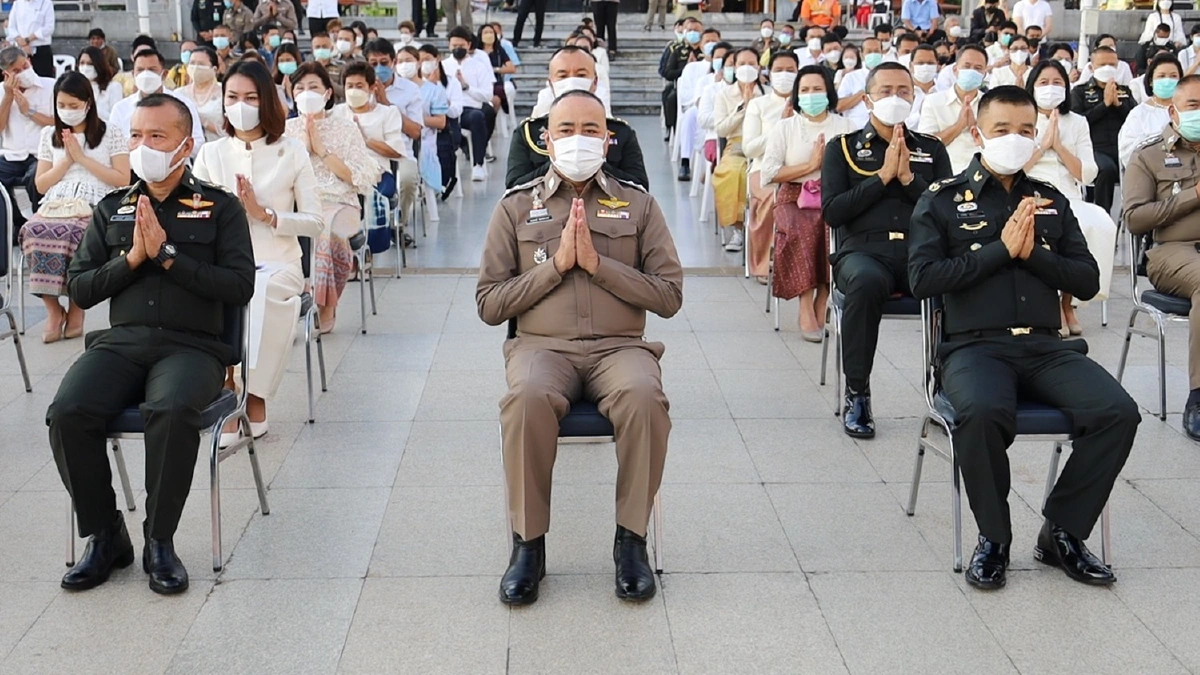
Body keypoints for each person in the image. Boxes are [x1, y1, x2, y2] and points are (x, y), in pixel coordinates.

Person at [909, 85, 1140, 591]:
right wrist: (998, 251)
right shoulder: (942, 202)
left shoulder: (1051, 200)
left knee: (1117, 412)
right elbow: (922, 280)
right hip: (974, 346)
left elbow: (1087, 280)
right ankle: (994, 538)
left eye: (1025, 131)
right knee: (982, 414)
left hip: (1044, 346)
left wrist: (1032, 254)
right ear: (977, 134)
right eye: (1001, 130)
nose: (1015, 139)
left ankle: (1062, 531)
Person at [477, 90, 682, 606]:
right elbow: (489, 303)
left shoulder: (639, 203)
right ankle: (529, 545)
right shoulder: (516, 207)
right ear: (546, 139)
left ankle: (630, 542)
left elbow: (670, 295)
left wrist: (597, 265)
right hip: (542, 349)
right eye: (566, 129)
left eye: (591, 130)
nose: (578, 140)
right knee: (524, 402)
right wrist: (556, 267)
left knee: (644, 399)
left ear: (608, 139)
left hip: (620, 349)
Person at [49, 93, 256, 596]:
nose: (143, 146)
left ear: (185, 145)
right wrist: (133, 259)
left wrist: (167, 256)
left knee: (171, 408)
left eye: (156, 137)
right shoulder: (113, 208)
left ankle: (159, 540)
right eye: (136, 136)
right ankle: (105, 534)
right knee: (68, 411)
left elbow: (238, 286)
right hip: (121, 343)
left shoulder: (219, 207)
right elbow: (79, 287)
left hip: (193, 347)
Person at [192, 60, 323, 444]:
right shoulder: (211, 154)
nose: (241, 105)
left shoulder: (292, 151)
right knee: (208, 291)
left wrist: (263, 214)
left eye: (250, 97)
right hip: (224, 260)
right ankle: (224, 389)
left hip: (278, 260)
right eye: (232, 96)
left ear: (266, 101)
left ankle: (254, 398)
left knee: (261, 293)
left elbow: (315, 222)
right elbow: (195, 215)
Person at [820, 62, 950, 436]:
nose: (896, 98)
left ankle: (948, 387)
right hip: (863, 252)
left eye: (904, 91)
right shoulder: (842, 149)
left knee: (958, 281)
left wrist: (908, 179)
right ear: (867, 99)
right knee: (864, 282)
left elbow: (946, 211)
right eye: (886, 91)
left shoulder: (930, 149)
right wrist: (880, 179)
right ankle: (858, 394)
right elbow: (833, 212)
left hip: (919, 252)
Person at [18, 72, 129, 343]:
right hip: (57, 202)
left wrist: (81, 158)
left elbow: (122, 179)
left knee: (77, 233)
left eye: (73, 105)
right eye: (62, 105)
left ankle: (77, 308)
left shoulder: (110, 132)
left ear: (88, 104)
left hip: (95, 201)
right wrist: (66, 161)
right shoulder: (49, 135)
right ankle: (53, 309)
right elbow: (41, 185)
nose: (67, 111)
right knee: (33, 231)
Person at [1123, 75, 1200, 439]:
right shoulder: (1150, 155)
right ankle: (1199, 398)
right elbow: (1135, 218)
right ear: (1174, 110)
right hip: (1172, 252)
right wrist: (1193, 194)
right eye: (1195, 106)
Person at [760, 65, 855, 337]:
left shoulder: (845, 126)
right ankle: (805, 306)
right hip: (794, 196)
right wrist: (810, 165)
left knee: (835, 229)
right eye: (805, 90)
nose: (811, 95)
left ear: (828, 92)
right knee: (804, 230)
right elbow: (770, 173)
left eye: (817, 89)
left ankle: (823, 299)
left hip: (834, 195)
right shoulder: (786, 127)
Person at [286, 62, 379, 331]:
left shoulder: (346, 128)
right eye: (300, 88)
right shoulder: (285, 130)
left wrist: (321, 149)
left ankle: (325, 306)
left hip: (340, 202)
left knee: (326, 231)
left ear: (327, 94)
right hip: (296, 201)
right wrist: (304, 146)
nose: (306, 93)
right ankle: (293, 295)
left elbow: (356, 177)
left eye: (313, 87)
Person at [1024, 61, 1115, 336]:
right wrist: (1043, 145)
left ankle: (1068, 302)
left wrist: (1059, 146)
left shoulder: (1078, 122)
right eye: (1043, 82)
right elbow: (1016, 167)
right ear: (1031, 87)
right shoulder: (1023, 119)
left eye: (1057, 82)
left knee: (1099, 225)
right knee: (1047, 227)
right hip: (1032, 194)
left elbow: (1088, 173)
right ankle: (1051, 302)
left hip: (1070, 195)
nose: (1050, 88)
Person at [507, 46, 645, 190]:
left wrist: (596, 165)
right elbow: (514, 186)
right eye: (563, 76)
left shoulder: (621, 132)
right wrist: (558, 165)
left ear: (595, 82)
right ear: (551, 84)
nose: (572, 81)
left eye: (581, 75)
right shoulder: (528, 132)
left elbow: (640, 185)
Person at [743, 51, 798, 284]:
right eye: (779, 70)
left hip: (803, 169)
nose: (784, 75)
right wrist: (780, 128)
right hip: (764, 170)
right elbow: (750, 148)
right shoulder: (759, 105)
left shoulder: (808, 104)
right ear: (769, 73)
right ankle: (763, 262)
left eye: (790, 70)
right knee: (772, 198)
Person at [333, 62, 409, 220]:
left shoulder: (388, 113)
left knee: (373, 200)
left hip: (378, 174)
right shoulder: (336, 113)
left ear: (372, 87)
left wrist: (365, 139)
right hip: (343, 173)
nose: (354, 90)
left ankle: (374, 239)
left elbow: (395, 151)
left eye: (359, 86)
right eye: (349, 86)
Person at [1070, 45, 1133, 216]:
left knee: (1139, 166)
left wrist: (1118, 105)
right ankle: (1101, 215)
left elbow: (1134, 120)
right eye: (1102, 64)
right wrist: (1104, 105)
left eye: (1112, 64)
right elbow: (1078, 122)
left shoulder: (1125, 92)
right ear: (1091, 66)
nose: (1108, 68)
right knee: (1107, 169)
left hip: (1121, 148)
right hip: (1094, 149)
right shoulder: (1080, 92)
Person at [109, 50, 205, 157]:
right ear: (133, 75)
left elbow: (198, 144)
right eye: (140, 70)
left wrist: (167, 149)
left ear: (164, 75)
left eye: (152, 70)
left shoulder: (183, 104)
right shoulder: (120, 108)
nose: (145, 75)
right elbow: (113, 147)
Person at [712, 47, 761, 254]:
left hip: (761, 143)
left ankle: (763, 228)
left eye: (751, 64)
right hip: (736, 144)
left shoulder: (767, 92)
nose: (747, 68)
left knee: (762, 175)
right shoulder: (724, 95)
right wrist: (744, 107)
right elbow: (721, 128)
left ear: (759, 67)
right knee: (732, 173)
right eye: (741, 64)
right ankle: (737, 229)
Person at [0, 46, 53, 232]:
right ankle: (12, 225)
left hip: (41, 154)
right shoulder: (1, 91)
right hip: (11, 155)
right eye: (16, 70)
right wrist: (7, 98)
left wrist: (29, 112)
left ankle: (35, 226)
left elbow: (59, 123)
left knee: (33, 179)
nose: (24, 72)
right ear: (6, 74)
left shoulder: (50, 86)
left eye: (25, 65)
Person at [919, 44, 987, 173]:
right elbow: (926, 146)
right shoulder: (933, 101)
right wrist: (959, 126)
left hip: (981, 173)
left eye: (978, 68)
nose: (972, 72)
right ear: (955, 70)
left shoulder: (990, 104)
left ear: (985, 74)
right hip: (945, 173)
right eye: (966, 66)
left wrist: (974, 126)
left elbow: (995, 145)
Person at [447, 26, 497, 183]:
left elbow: (487, 94)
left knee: (478, 117)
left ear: (468, 45)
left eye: (461, 46)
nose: (457, 49)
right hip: (447, 109)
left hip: (469, 108)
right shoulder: (442, 66)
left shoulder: (478, 66)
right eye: (454, 46)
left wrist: (466, 87)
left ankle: (478, 164)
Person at [1120, 54, 1180, 169]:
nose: (1167, 81)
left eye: (1173, 76)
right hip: (1151, 172)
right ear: (1151, 81)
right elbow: (1128, 152)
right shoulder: (1138, 114)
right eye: (1161, 76)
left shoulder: (1190, 110)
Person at [419, 44, 462, 199]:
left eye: (427, 59)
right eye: (420, 59)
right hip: (423, 130)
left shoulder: (450, 82)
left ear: (436, 59)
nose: (423, 63)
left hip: (446, 127)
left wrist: (442, 101)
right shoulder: (414, 84)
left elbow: (456, 110)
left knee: (442, 148)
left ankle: (438, 186)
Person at [176, 45, 224, 143]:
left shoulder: (225, 92)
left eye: (201, 64)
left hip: (219, 148)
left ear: (214, 69)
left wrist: (203, 121)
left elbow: (231, 130)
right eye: (192, 63)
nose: (196, 68)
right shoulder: (179, 94)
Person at [5, 0, 55, 78]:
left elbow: (49, 27)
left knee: (44, 80)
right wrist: (20, 41)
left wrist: (28, 40)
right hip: (21, 50)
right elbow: (11, 27)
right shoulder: (17, 4)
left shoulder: (46, 3)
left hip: (41, 50)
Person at [78, 46, 122, 122]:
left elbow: (116, 117)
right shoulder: (75, 87)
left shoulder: (113, 87)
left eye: (90, 64)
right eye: (82, 63)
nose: (85, 67)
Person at [479, 24, 515, 115]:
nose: (489, 35)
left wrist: (495, 69)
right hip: (480, 82)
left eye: (491, 32)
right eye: (486, 32)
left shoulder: (499, 50)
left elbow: (511, 68)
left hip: (495, 81)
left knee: (496, 99)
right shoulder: (477, 51)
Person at [309, 33, 346, 102]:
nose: (321, 49)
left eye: (324, 47)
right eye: (317, 47)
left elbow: (344, 92)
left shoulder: (341, 66)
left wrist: (328, 81)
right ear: (312, 49)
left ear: (331, 48)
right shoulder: (307, 68)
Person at [272, 42, 301, 110]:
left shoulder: (303, 80)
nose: (285, 63)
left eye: (288, 60)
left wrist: (290, 93)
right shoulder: (273, 82)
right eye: (281, 61)